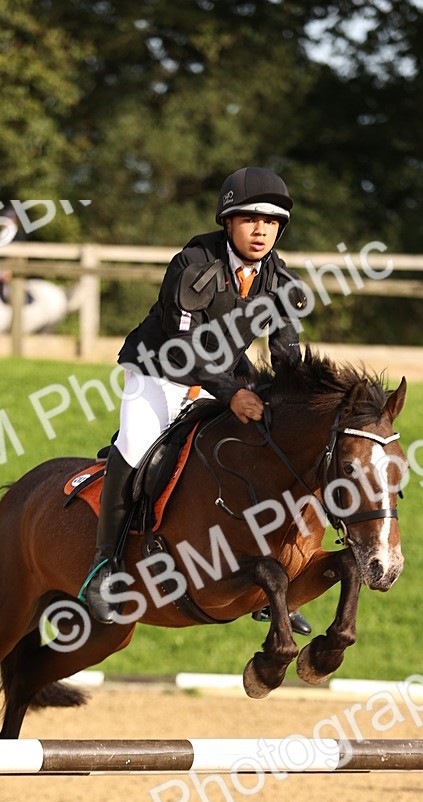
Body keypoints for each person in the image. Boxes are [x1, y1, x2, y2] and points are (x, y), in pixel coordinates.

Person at [82, 166, 311, 636]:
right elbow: (184, 349)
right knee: (137, 447)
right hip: (158, 369)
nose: (261, 231)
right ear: (227, 221)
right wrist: (234, 394)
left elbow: (286, 352)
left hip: (224, 373)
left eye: (271, 222)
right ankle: (105, 566)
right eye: (250, 219)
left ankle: (270, 579)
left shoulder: (279, 279)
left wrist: (296, 404)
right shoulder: (192, 265)